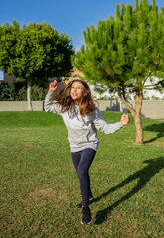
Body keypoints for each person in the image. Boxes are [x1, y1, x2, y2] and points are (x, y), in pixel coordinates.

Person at [44, 79, 129, 225]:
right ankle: (89, 197)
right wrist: (51, 92)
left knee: (82, 171)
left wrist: (120, 124)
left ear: (85, 92)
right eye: (72, 88)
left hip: (90, 144)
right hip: (74, 146)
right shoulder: (64, 106)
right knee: (80, 173)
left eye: (79, 88)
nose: (74, 90)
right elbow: (47, 107)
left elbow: (106, 129)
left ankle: (86, 208)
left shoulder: (91, 110)